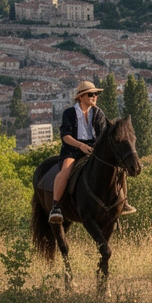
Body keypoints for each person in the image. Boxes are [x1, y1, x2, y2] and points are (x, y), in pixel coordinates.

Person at [49, 80, 110, 224]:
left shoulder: (98, 113)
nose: (94, 97)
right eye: (90, 94)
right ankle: (56, 206)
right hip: (73, 150)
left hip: (93, 150)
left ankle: (120, 202)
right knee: (65, 171)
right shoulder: (69, 113)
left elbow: (102, 135)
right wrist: (81, 145)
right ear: (81, 97)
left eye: (96, 94)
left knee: (113, 168)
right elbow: (65, 136)